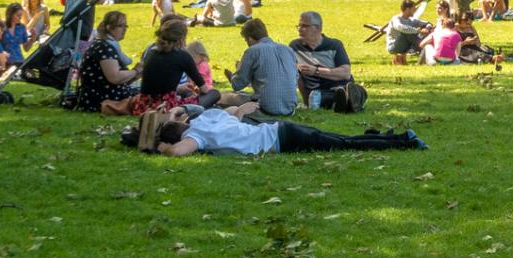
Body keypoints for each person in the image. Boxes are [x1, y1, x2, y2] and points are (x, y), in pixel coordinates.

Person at [137, 102, 424, 157]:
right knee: (342, 140)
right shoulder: (207, 118)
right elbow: (233, 112)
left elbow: (176, 152)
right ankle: (388, 137)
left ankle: (403, 142)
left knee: (345, 144)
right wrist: (178, 113)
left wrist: (157, 147)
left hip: (281, 140)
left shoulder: (197, 136)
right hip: (280, 128)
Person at [102, 15, 213, 116]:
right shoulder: (183, 56)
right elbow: (204, 89)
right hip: (166, 106)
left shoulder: (152, 53)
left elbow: (158, 84)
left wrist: (177, 89)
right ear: (182, 38)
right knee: (214, 94)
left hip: (142, 104)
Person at [219, 18, 300, 114]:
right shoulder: (288, 50)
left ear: (249, 38)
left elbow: (237, 85)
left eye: (246, 40)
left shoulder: (253, 51)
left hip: (264, 108)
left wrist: (236, 71)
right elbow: (296, 77)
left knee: (222, 95)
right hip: (290, 108)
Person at [68, 10, 141, 111]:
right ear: (109, 27)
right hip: (100, 99)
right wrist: (135, 71)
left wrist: (136, 75)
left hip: (104, 93)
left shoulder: (105, 44)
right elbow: (114, 77)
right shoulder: (104, 47)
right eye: (121, 26)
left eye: (126, 26)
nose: (125, 29)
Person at [290, 11, 353, 110]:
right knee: (319, 97)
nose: (300, 30)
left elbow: (346, 73)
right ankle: (345, 101)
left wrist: (315, 71)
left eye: (304, 26)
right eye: (299, 26)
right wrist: (306, 102)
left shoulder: (334, 45)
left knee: (348, 91)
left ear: (318, 28)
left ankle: (348, 98)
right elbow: (293, 74)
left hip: (340, 85)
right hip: (317, 91)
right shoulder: (295, 46)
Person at [384, 0, 432, 66]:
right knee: (406, 33)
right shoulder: (396, 19)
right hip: (394, 46)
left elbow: (428, 23)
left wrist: (427, 28)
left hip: (407, 45)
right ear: (407, 9)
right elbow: (402, 28)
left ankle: (425, 49)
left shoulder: (412, 20)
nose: (415, 11)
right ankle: (424, 49)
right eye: (413, 9)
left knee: (424, 33)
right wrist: (418, 31)